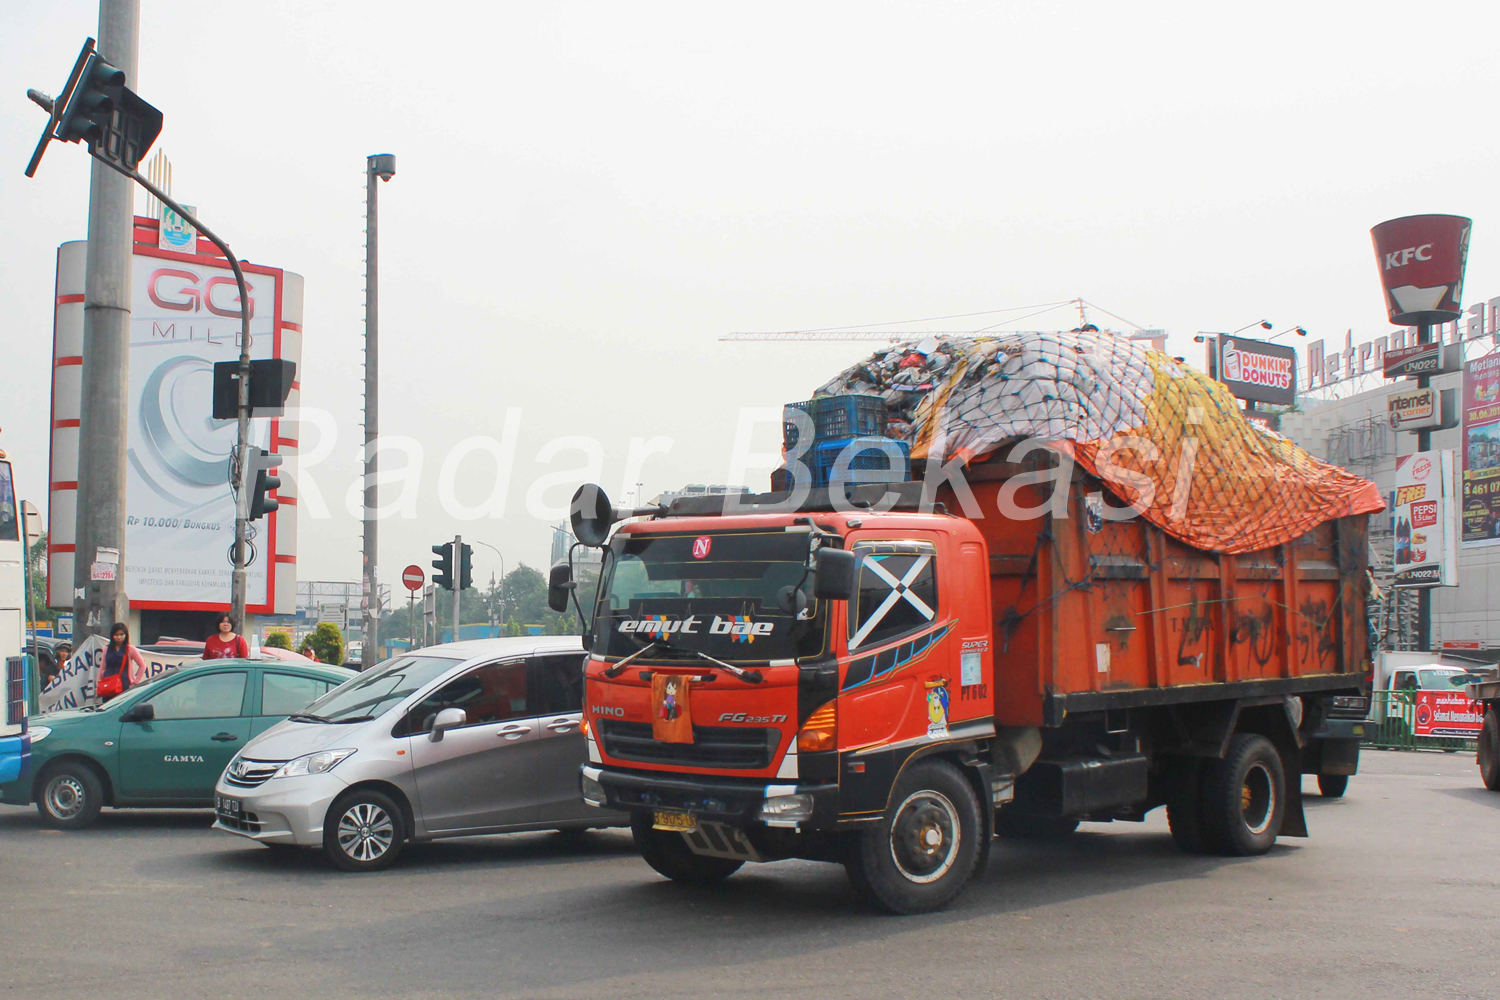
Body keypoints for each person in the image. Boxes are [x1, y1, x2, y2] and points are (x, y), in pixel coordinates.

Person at [99, 623, 146, 702]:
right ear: (112, 636)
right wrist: (99, 683)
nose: (119, 637)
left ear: (126, 635)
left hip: (125, 686)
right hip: (108, 686)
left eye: (121, 634)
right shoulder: (107, 649)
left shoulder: (130, 649)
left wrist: (136, 682)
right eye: (116, 635)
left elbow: (142, 665)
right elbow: (102, 667)